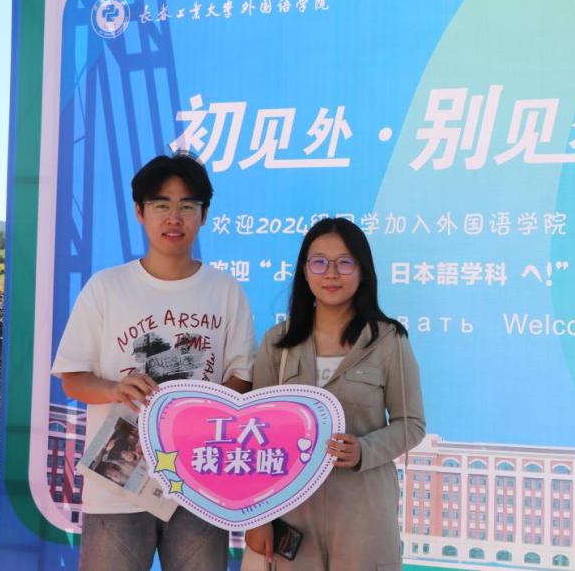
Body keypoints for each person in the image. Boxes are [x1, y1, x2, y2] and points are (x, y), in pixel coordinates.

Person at [51, 153, 255, 571]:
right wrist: (114, 389)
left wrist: (195, 409)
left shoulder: (225, 290)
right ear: (140, 212)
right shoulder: (106, 287)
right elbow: (72, 379)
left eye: (187, 206)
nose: (174, 218)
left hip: (198, 482)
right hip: (117, 484)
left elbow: (243, 377)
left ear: (204, 215)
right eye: (161, 205)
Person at [245, 217, 425, 570]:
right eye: (319, 262)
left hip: (364, 512)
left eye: (344, 262)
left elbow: (411, 424)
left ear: (362, 271)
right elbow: (256, 434)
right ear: (304, 271)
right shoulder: (278, 343)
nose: (331, 273)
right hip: (292, 512)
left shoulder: (389, 341)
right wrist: (257, 516)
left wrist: (364, 450)